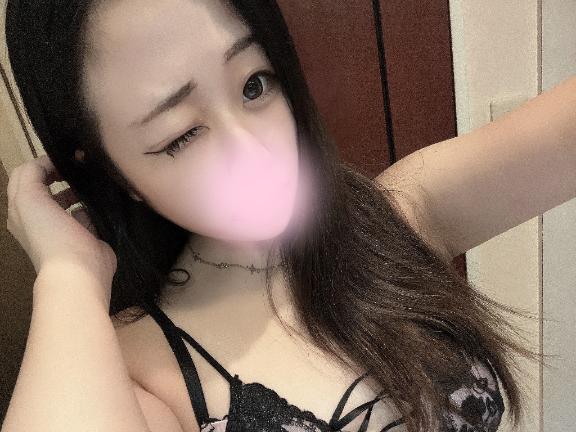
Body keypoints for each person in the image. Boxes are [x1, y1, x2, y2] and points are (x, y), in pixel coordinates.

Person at [4, 0, 558, 431]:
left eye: (255, 85)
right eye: (182, 135)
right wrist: (68, 274)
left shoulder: (401, 215)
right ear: (111, 171)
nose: (254, 152)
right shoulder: (134, 370)